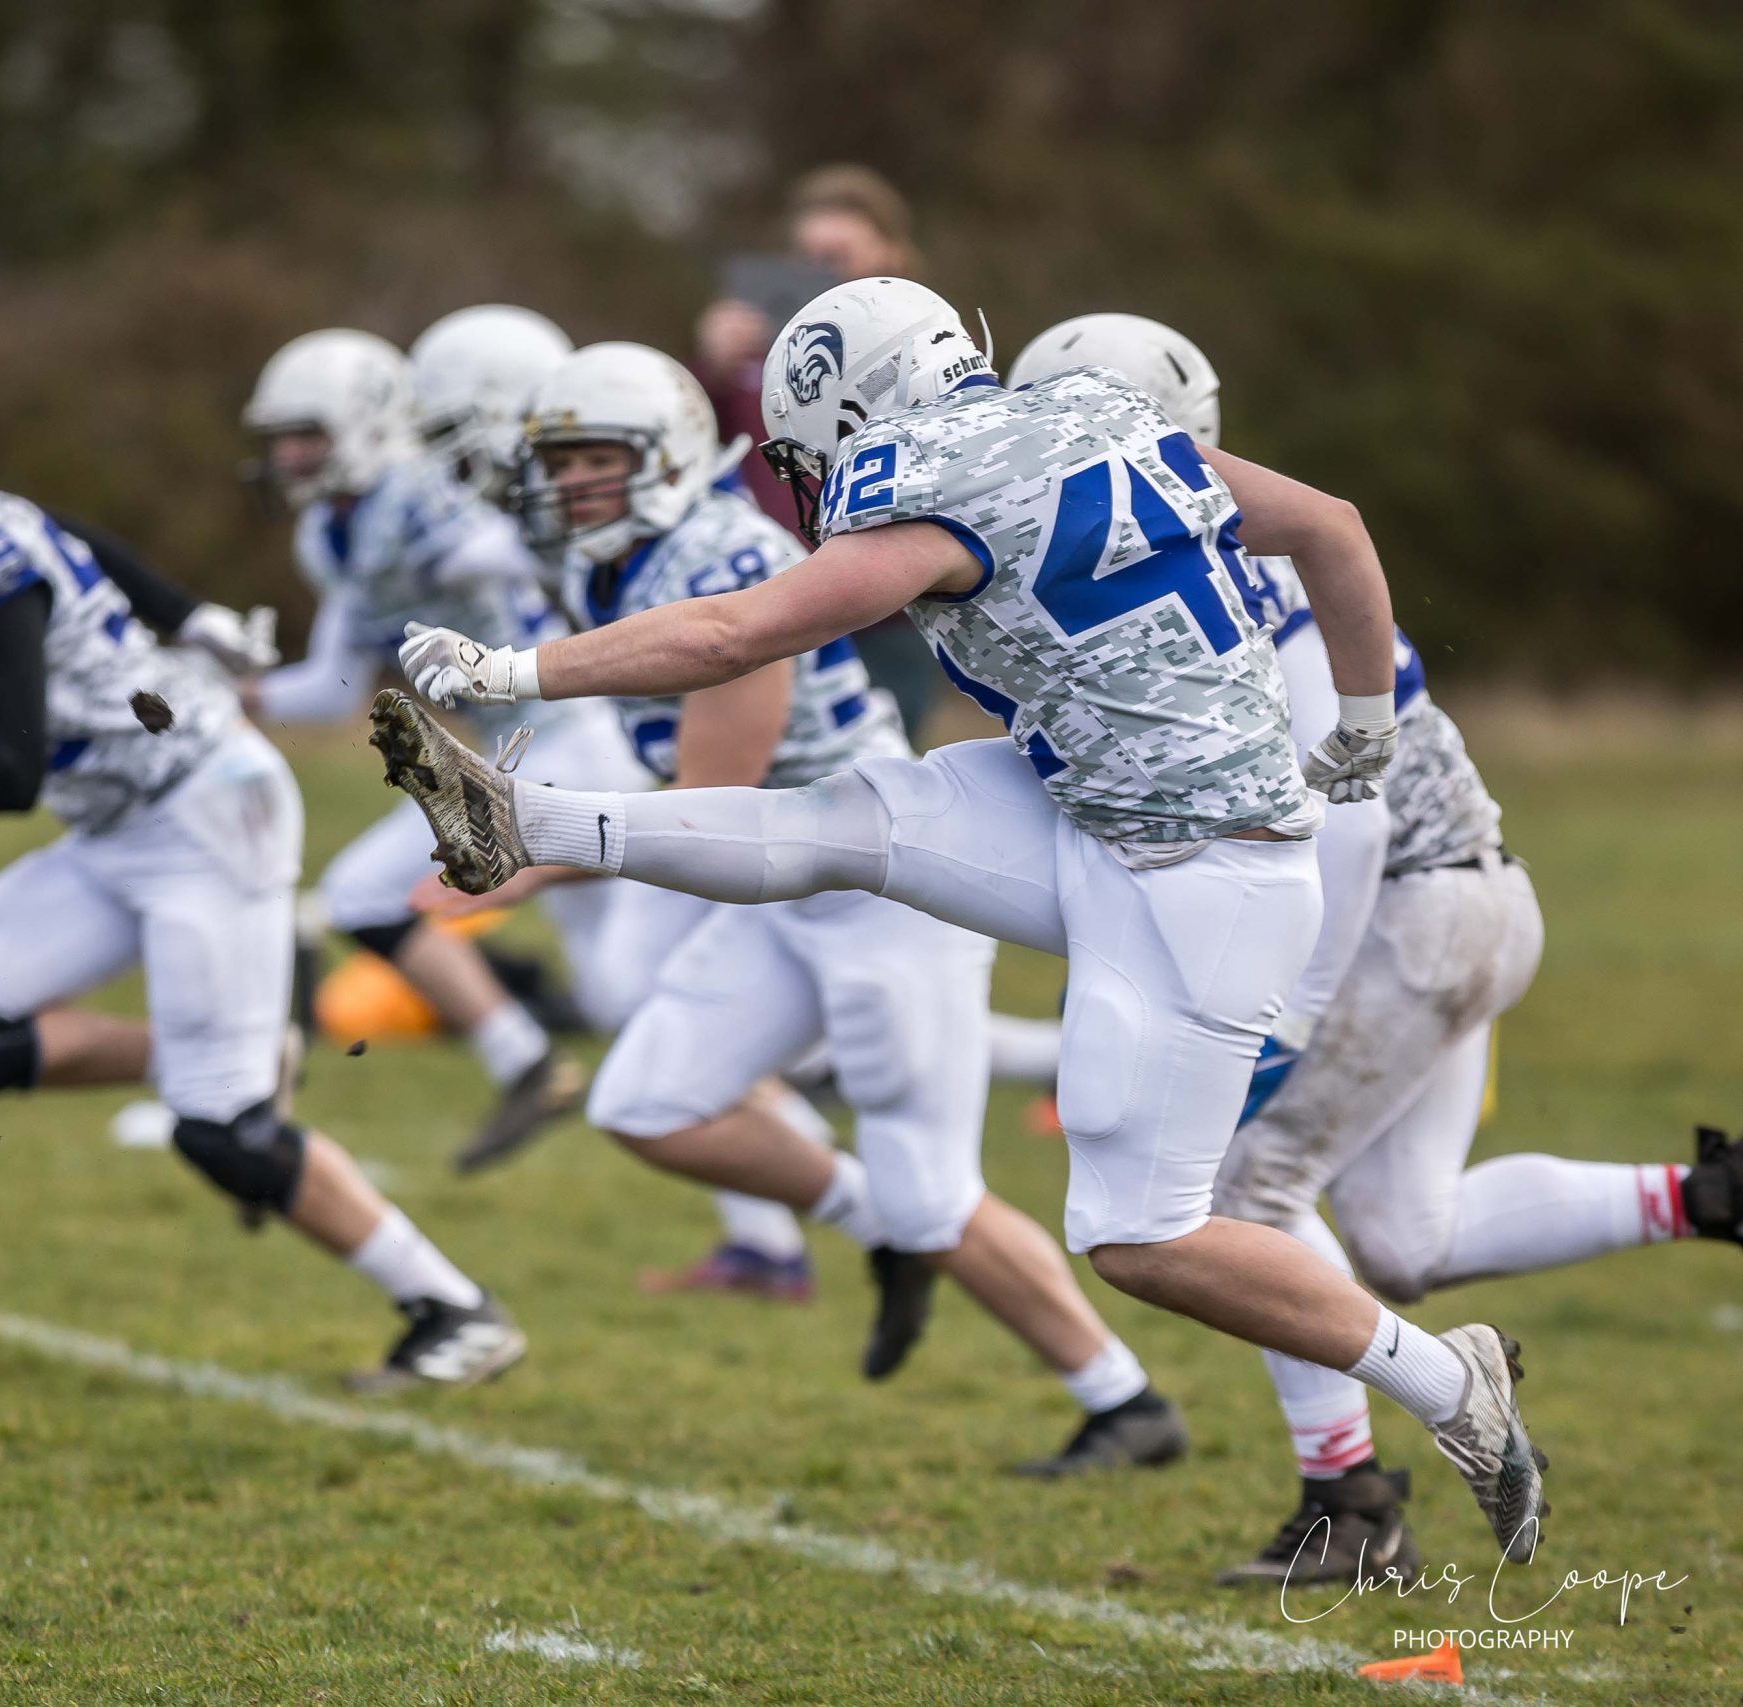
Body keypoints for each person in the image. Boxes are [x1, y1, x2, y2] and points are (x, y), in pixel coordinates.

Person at [372, 277, 1551, 1562]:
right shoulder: (1099, 415)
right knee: (854, 822)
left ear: (846, 399)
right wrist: (1368, 713)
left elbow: (732, 633)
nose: (810, 470)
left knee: (1140, 1237)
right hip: (1100, 806)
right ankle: (524, 823)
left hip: (1199, 873)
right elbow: (1331, 524)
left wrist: (509, 670)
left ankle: (1449, 1383)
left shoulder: (933, 487)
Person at [1012, 312, 1743, 1582]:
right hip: (1454, 902)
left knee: (1244, 1189)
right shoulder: (1218, 554)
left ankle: (1349, 1506)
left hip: (1404, 910)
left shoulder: (1243, 581)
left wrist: (1280, 1025)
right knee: (1407, 1237)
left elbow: (1336, 821)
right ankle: (1708, 1198)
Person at [0, 349, 523, 1390]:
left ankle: (454, 1310)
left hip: (202, 810)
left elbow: (7, 773)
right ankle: (217, 1052)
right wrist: (187, 614)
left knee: (220, 1136)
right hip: (116, 822)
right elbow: (76, 540)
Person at [468, 341, 1185, 1467]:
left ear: (666, 454)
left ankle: (1123, 1400)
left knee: (934, 1192)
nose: (569, 486)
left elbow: (714, 788)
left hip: (880, 880)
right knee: (649, 1103)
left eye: (594, 459)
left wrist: (532, 840)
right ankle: (877, 1229)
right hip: (783, 883)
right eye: (558, 464)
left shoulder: (721, 553)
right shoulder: (626, 557)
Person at [239, 322, 657, 1172]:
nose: (289, 458)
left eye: (307, 435)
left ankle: (526, 1059)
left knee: (361, 892)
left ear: (366, 423)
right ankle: (766, 1227)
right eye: (280, 439)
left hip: (568, 743)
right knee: (630, 1001)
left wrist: (496, 551)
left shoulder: (414, 497)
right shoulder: (333, 535)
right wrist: (221, 692)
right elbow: (332, 686)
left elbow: (502, 551)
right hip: (534, 747)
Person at [696, 165, 946, 739]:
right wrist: (710, 362)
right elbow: (698, 444)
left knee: (877, 780)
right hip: (774, 598)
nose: (816, 273)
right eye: (805, 255)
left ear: (892, 256)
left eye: (836, 256)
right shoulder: (765, 350)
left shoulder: (929, 346)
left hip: (886, 609)